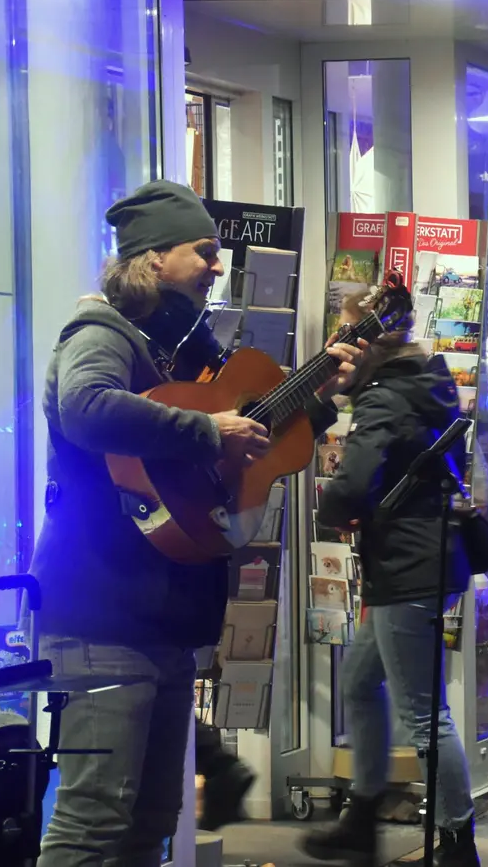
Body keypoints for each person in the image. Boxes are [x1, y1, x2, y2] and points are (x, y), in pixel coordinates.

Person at [33, 180, 361, 867]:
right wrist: (207, 429)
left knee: (152, 817)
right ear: (152, 260)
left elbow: (242, 449)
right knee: (95, 817)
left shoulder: (184, 351)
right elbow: (85, 407)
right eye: (204, 251)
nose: (218, 266)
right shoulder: (101, 334)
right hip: (100, 611)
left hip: (166, 612)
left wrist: (319, 397)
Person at [302, 312, 482, 867]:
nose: (337, 355)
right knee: (358, 684)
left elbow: (353, 481)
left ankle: (456, 842)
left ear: (371, 348)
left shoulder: (383, 397)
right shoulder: (422, 383)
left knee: (425, 716)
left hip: (407, 567)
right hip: (419, 560)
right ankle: (362, 814)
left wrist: (336, 510)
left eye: (346, 345)